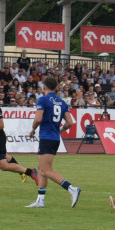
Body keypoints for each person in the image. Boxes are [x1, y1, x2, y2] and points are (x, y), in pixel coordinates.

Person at [26, 76, 81, 208]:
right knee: (41, 168)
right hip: (55, 138)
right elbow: (70, 123)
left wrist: (33, 129)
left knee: (46, 170)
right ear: (56, 87)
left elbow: (38, 119)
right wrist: (60, 130)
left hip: (46, 137)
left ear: (44, 87)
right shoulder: (62, 102)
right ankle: (40, 200)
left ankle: (72, 189)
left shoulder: (43, 100)